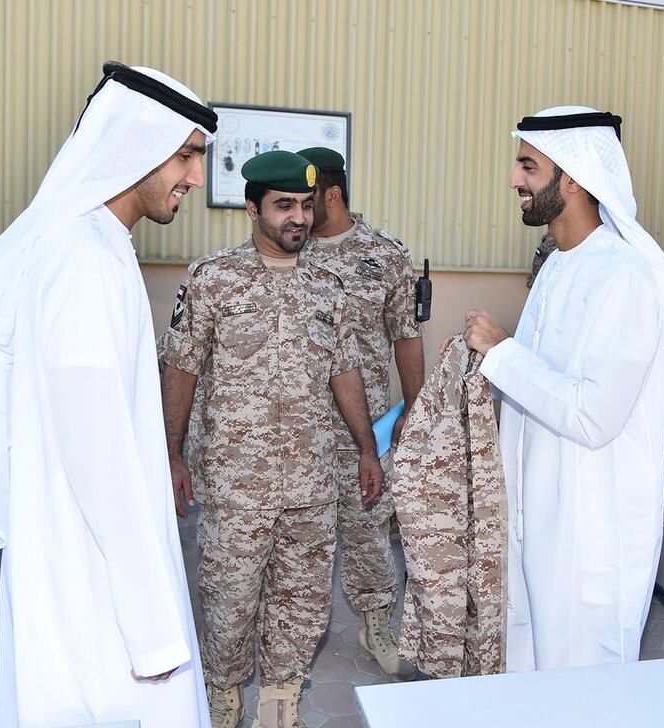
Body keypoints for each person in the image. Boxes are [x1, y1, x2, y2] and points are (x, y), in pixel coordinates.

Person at [0, 62, 217, 727]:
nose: (195, 177)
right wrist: (153, 626)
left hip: (85, 564)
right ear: (133, 144)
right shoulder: (81, 260)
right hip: (93, 584)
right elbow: (97, 459)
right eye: (186, 154)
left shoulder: (91, 247)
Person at [462, 106, 664, 671]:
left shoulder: (625, 275)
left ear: (570, 176)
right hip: (539, 513)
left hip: (593, 525)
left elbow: (594, 415)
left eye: (527, 167)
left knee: (583, 684)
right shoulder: (560, 266)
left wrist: (501, 352)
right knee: (531, 670)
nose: (514, 181)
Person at [159, 150, 384, 728]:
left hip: (312, 480)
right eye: (284, 206)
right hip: (237, 486)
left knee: (303, 598)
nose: (299, 219)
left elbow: (345, 372)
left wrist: (365, 448)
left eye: (306, 207)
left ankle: (280, 702)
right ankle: (225, 694)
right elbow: (181, 370)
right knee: (230, 599)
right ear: (253, 208)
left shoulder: (329, 287)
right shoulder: (213, 281)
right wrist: (171, 456)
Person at [296, 147, 424, 680]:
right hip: (296, 429)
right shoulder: (286, 252)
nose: (299, 212)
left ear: (333, 194)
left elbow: (407, 339)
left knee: (369, 530)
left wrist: (417, 415)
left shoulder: (385, 255)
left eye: (309, 199)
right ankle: (292, 642)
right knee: (300, 540)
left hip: (364, 428)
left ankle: (376, 626)